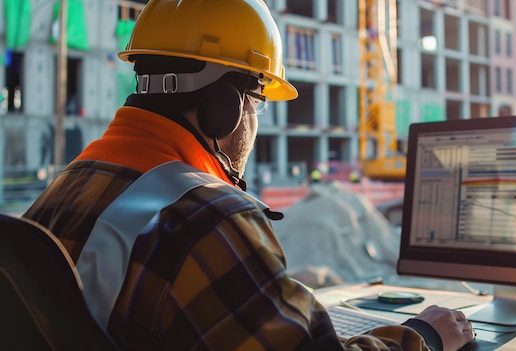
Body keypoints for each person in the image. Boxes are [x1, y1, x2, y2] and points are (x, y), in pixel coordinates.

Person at [22, 0, 474, 350]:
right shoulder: (208, 217)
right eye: (257, 102)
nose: (255, 119)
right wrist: (423, 336)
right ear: (226, 108)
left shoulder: (66, 186)